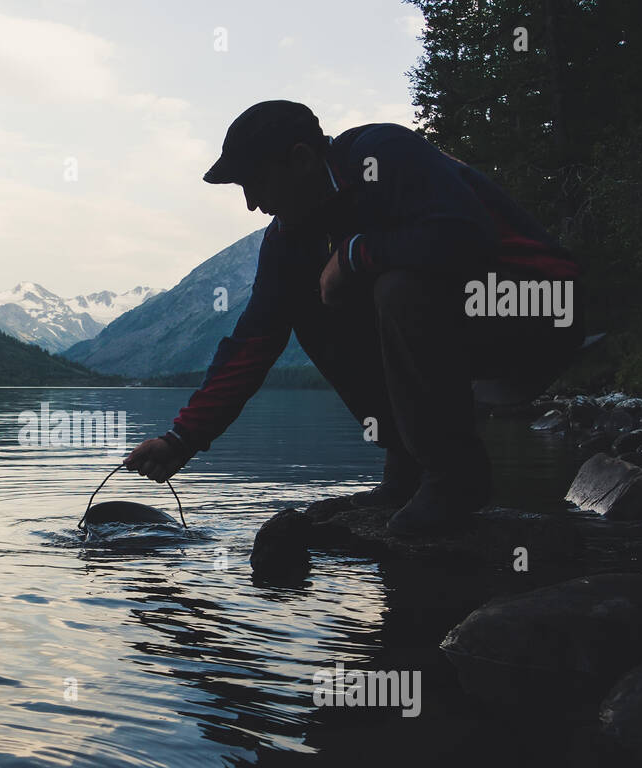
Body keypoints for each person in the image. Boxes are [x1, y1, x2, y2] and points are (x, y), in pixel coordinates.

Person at [124, 101, 585, 535]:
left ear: (301, 159)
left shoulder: (382, 153)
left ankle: (454, 476)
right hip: (468, 333)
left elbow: (465, 235)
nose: (250, 203)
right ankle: (406, 465)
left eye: (254, 182)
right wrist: (180, 440)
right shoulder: (288, 241)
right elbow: (253, 344)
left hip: (537, 309)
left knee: (399, 287)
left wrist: (353, 254)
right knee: (314, 306)